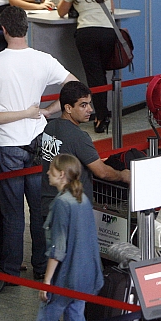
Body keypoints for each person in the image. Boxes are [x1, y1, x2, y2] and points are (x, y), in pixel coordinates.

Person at [0, 6, 75, 280]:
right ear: (26, 28)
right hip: (39, 140)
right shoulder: (43, 59)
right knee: (40, 209)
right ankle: (42, 268)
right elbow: (75, 86)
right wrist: (49, 110)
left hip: (9, 146)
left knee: (13, 212)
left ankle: (11, 268)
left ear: (4, 30)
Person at [34, 154, 103, 321]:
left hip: (66, 278)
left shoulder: (61, 203)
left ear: (62, 174)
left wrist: (47, 281)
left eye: (52, 169)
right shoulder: (82, 199)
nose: (47, 172)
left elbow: (58, 248)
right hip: (84, 276)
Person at [40, 81, 130, 221]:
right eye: (83, 105)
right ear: (68, 108)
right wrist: (123, 175)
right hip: (73, 211)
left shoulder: (49, 128)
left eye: (89, 103)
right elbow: (102, 172)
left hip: (49, 206)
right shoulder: (78, 137)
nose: (90, 109)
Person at [56, 0, 117, 133]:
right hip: (108, 33)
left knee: (94, 76)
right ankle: (103, 113)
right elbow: (111, 9)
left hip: (87, 33)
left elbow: (61, 11)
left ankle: (100, 115)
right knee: (101, 75)